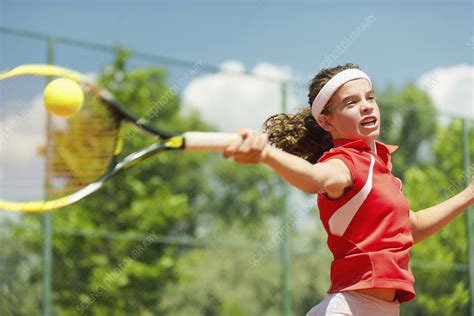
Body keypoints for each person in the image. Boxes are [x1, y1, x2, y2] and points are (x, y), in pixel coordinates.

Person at [223, 63, 474, 316]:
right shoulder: (344, 162)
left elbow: (412, 227)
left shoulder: (382, 170)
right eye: (351, 103)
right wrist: (266, 154)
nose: (366, 105)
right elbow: (312, 178)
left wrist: (469, 194)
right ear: (326, 121)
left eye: (370, 97)